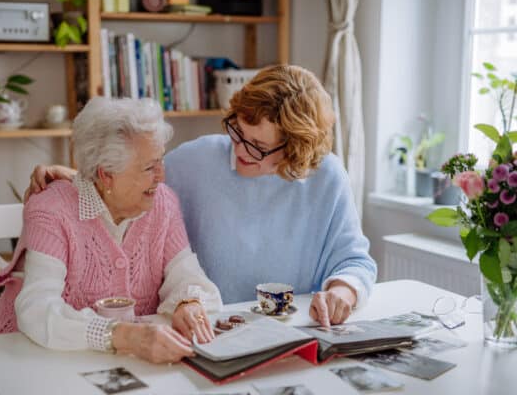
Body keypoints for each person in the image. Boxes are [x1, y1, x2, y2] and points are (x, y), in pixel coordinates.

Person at [26, 64, 377, 328]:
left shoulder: (326, 177)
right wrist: (80, 178)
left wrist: (343, 292)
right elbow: (135, 184)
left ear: (296, 151)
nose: (239, 150)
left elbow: (355, 260)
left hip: (294, 329)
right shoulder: (198, 159)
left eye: (258, 146)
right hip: (213, 326)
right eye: (237, 131)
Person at [0, 97, 222, 394]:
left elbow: (186, 275)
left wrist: (187, 303)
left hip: (126, 372)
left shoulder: (162, 203)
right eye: (149, 167)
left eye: (161, 160)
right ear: (105, 174)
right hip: (31, 362)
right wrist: (123, 336)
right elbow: (37, 309)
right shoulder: (51, 210)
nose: (162, 176)